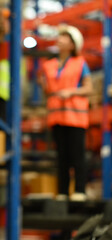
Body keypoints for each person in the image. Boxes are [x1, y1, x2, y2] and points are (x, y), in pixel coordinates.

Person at [39, 25, 93, 201]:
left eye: (65, 37)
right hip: (56, 117)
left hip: (75, 117)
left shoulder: (80, 63)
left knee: (77, 156)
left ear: (72, 45)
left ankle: (80, 191)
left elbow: (88, 88)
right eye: (60, 36)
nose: (60, 40)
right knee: (62, 157)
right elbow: (49, 91)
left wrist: (71, 92)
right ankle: (63, 192)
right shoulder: (50, 65)